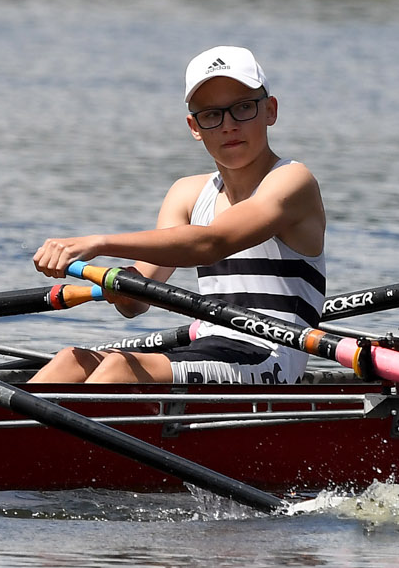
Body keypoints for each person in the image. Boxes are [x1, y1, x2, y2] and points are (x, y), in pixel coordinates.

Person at [28, 46, 327, 385]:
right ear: (194, 126)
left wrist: (99, 243)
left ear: (270, 110)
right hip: (212, 345)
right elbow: (135, 304)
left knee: (120, 369)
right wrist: (122, 287)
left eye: (243, 108)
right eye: (212, 115)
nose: (228, 126)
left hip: (274, 355)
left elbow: (211, 243)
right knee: (73, 360)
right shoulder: (187, 194)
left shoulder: (292, 181)